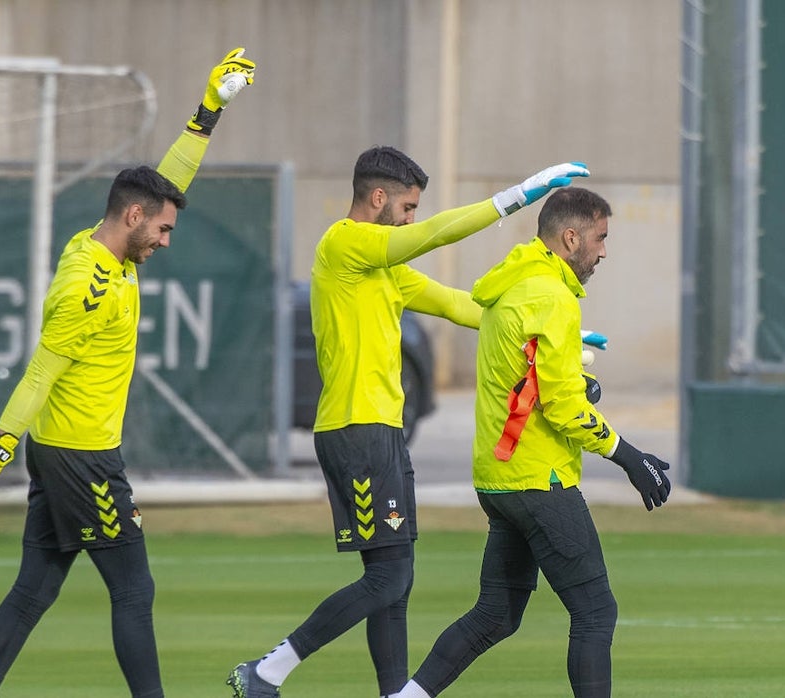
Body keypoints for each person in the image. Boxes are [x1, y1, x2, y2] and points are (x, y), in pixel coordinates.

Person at [0, 47, 256, 698]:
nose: (166, 240)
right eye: (162, 230)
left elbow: (167, 184)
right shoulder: (88, 285)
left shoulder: (102, 243)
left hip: (61, 452)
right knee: (134, 589)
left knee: (37, 585)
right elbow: (39, 373)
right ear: (133, 218)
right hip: (82, 457)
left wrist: (208, 110)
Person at [226, 148, 590, 698]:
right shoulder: (344, 244)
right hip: (357, 430)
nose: (412, 219)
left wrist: (556, 331)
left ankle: (395, 694)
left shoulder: (384, 270)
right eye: (408, 206)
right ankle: (268, 670)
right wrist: (516, 197)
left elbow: (461, 305)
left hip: (381, 433)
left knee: (394, 583)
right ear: (378, 198)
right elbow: (437, 235)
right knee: (389, 579)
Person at [390, 187, 672, 698]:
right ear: (570, 238)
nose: (604, 251)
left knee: (495, 615)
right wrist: (628, 456)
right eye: (600, 238)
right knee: (595, 610)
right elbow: (562, 407)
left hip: (500, 480)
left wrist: (575, 385)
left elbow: (527, 377)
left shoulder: (512, 284)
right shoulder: (552, 295)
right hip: (539, 478)